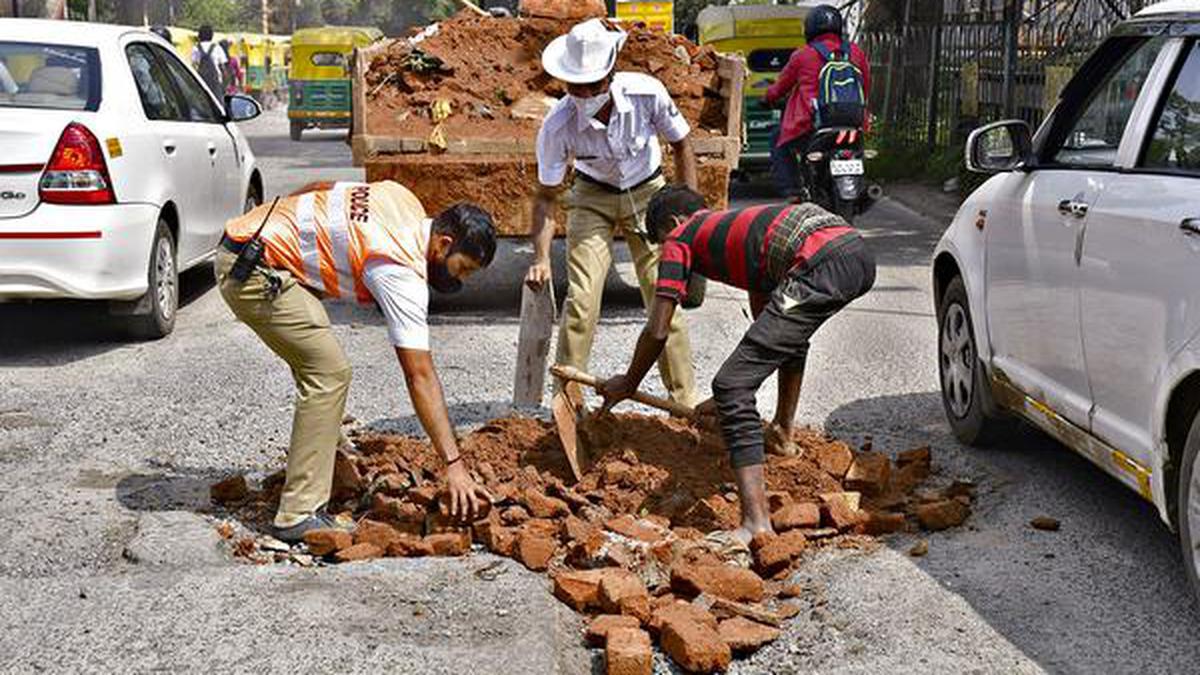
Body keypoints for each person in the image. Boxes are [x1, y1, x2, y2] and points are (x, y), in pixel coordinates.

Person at [217, 180, 497, 542]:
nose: (463, 279)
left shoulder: (402, 198)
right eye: (464, 268)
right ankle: (297, 513)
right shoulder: (399, 269)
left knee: (321, 361)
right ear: (444, 244)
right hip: (250, 272)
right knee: (328, 374)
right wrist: (454, 465)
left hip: (249, 242)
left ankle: (323, 459)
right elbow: (420, 375)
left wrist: (285, 226)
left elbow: (321, 188)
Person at [598, 186, 876, 543]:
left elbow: (658, 329)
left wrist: (629, 381)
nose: (665, 252)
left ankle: (755, 523)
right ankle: (782, 434)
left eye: (660, 242)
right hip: (854, 252)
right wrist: (736, 394)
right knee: (784, 347)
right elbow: (773, 341)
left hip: (820, 260)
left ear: (673, 222)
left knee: (730, 385)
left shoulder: (681, 235)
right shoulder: (745, 238)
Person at [526, 18, 698, 406]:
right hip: (592, 195)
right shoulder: (557, 126)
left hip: (649, 191)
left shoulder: (646, 93)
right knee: (582, 300)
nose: (585, 93)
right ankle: (567, 405)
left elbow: (682, 145)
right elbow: (546, 195)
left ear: (611, 73)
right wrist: (539, 258)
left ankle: (684, 401)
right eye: (576, 86)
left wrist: (688, 215)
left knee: (664, 295)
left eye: (594, 84)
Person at [764, 5, 871, 200]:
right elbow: (865, 87)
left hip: (812, 125)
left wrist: (767, 98)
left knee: (776, 139)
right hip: (853, 123)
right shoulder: (856, 53)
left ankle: (794, 191)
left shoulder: (802, 55)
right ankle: (864, 188)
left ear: (810, 29)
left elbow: (780, 88)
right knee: (859, 152)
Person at [192, 24, 227, 99]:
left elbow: (194, 65)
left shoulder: (196, 48)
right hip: (215, 83)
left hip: (201, 82)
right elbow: (223, 68)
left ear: (199, 35)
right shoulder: (217, 48)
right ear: (212, 35)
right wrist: (225, 85)